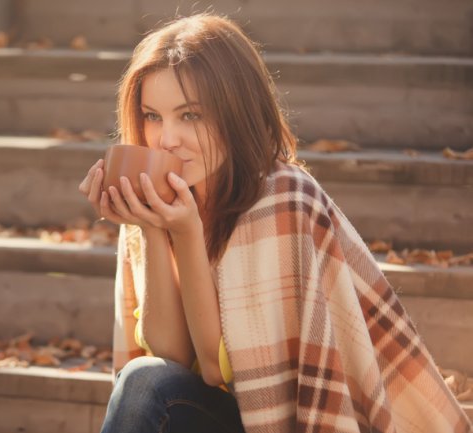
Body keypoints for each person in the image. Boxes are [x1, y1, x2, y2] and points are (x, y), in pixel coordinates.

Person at [78, 12, 472, 433]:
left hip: (280, 419)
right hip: (208, 415)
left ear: (235, 112)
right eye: (153, 116)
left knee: (145, 385)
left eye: (190, 115)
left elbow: (217, 370)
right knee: (146, 381)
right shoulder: (158, 193)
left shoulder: (282, 199)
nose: (166, 138)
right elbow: (170, 356)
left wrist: (187, 233)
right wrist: (152, 228)